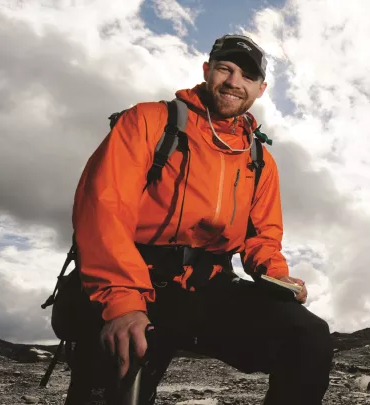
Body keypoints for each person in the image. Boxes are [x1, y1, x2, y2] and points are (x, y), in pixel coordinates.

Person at [64, 34, 333, 404]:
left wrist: (276, 274)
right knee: (116, 389)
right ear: (207, 71)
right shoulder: (149, 121)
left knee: (308, 338)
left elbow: (262, 236)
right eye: (226, 68)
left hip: (208, 288)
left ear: (261, 88)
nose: (234, 81)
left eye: (247, 76)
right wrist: (123, 304)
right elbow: (103, 210)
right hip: (137, 281)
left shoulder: (259, 158)